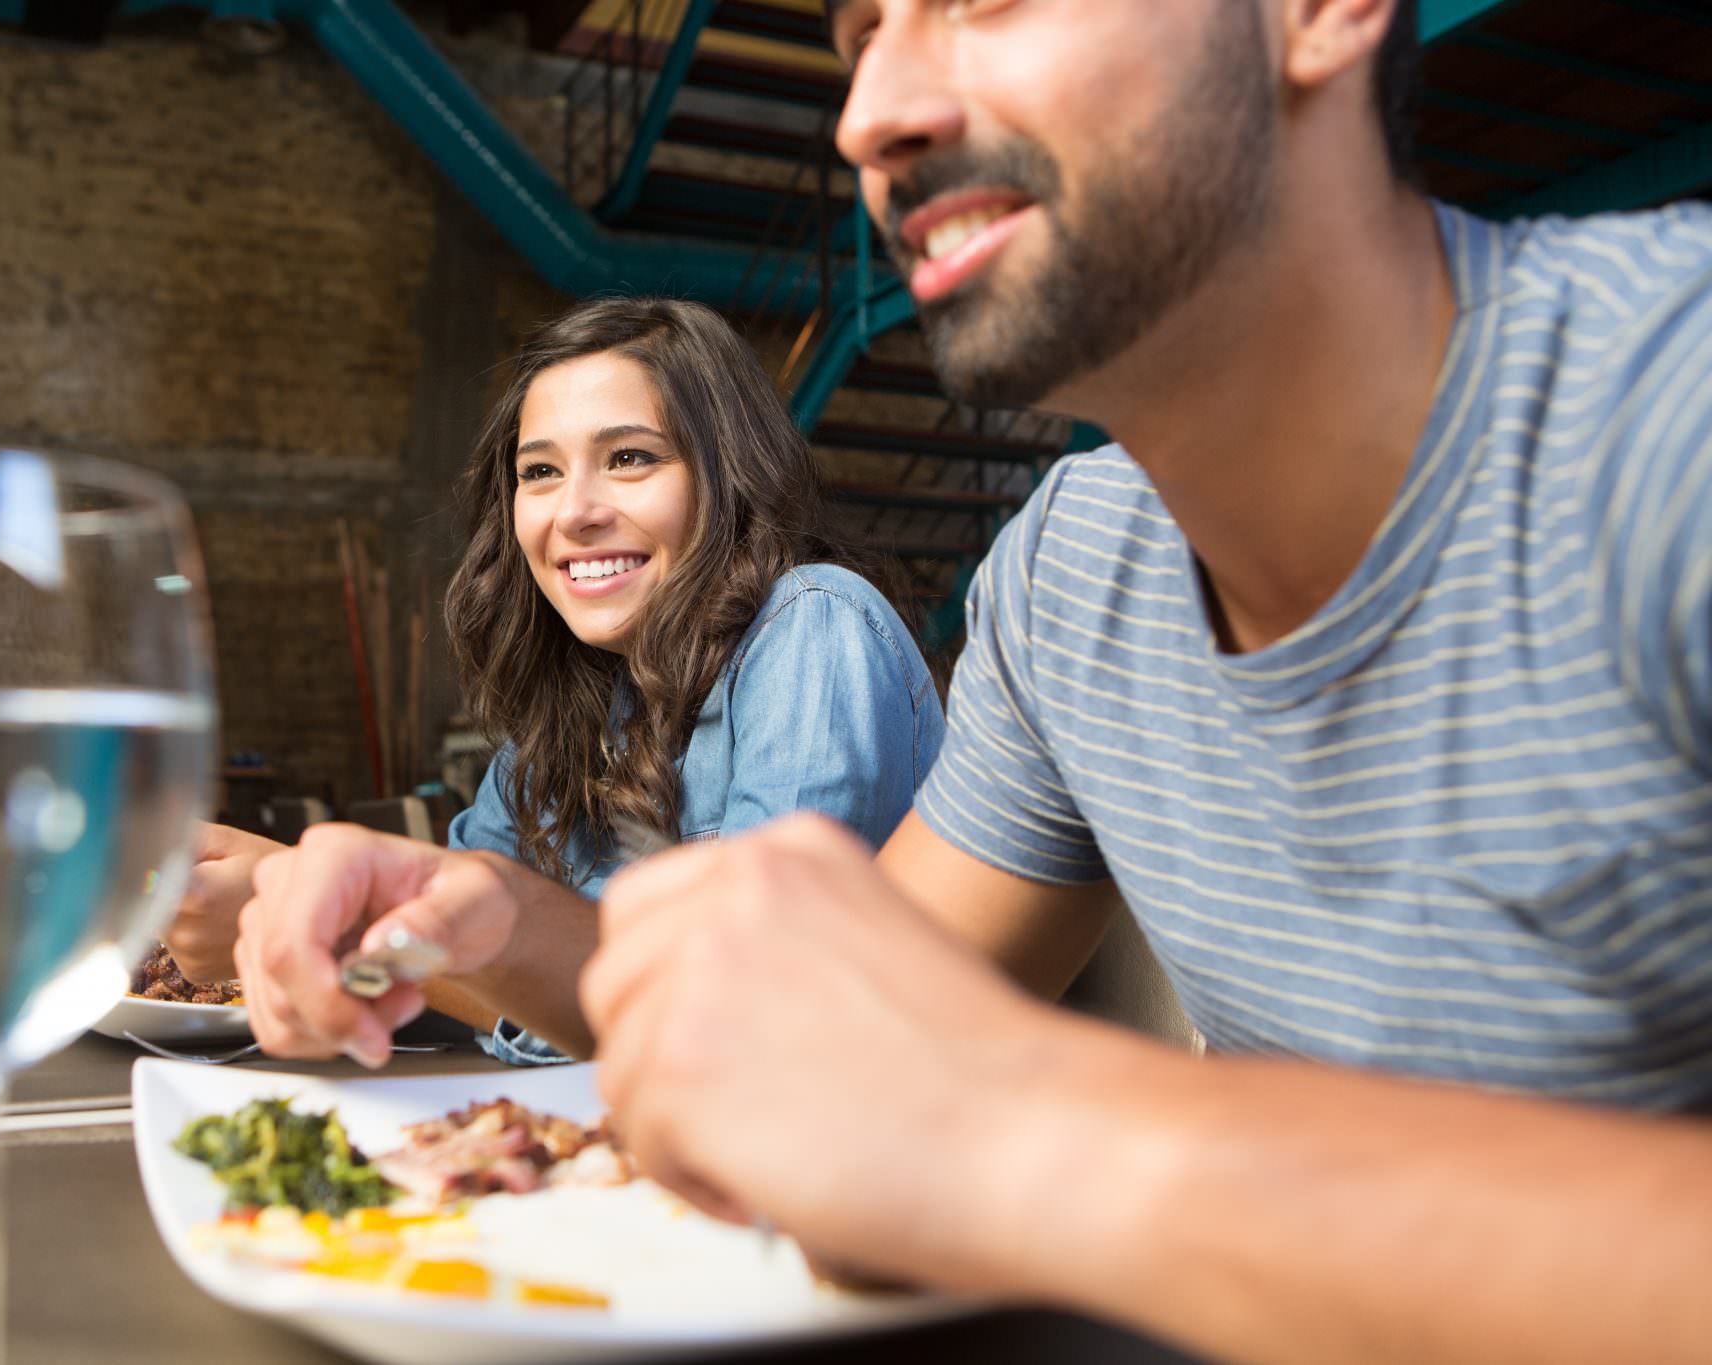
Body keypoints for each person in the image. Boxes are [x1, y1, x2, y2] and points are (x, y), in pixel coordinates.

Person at [568, 1, 1712, 1363]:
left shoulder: (1671, 409)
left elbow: (952, 1115)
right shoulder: (1069, 574)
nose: (869, 114)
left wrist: (1037, 1128)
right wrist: (466, 933)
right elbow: (809, 1092)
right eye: (860, 33)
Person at [183, 296, 943, 1065]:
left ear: (730, 474)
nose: (574, 512)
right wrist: (326, 938)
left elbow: (735, 1009)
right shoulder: (577, 706)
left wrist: (328, 918)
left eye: (629, 458)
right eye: (540, 471)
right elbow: (449, 946)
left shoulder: (813, 627)